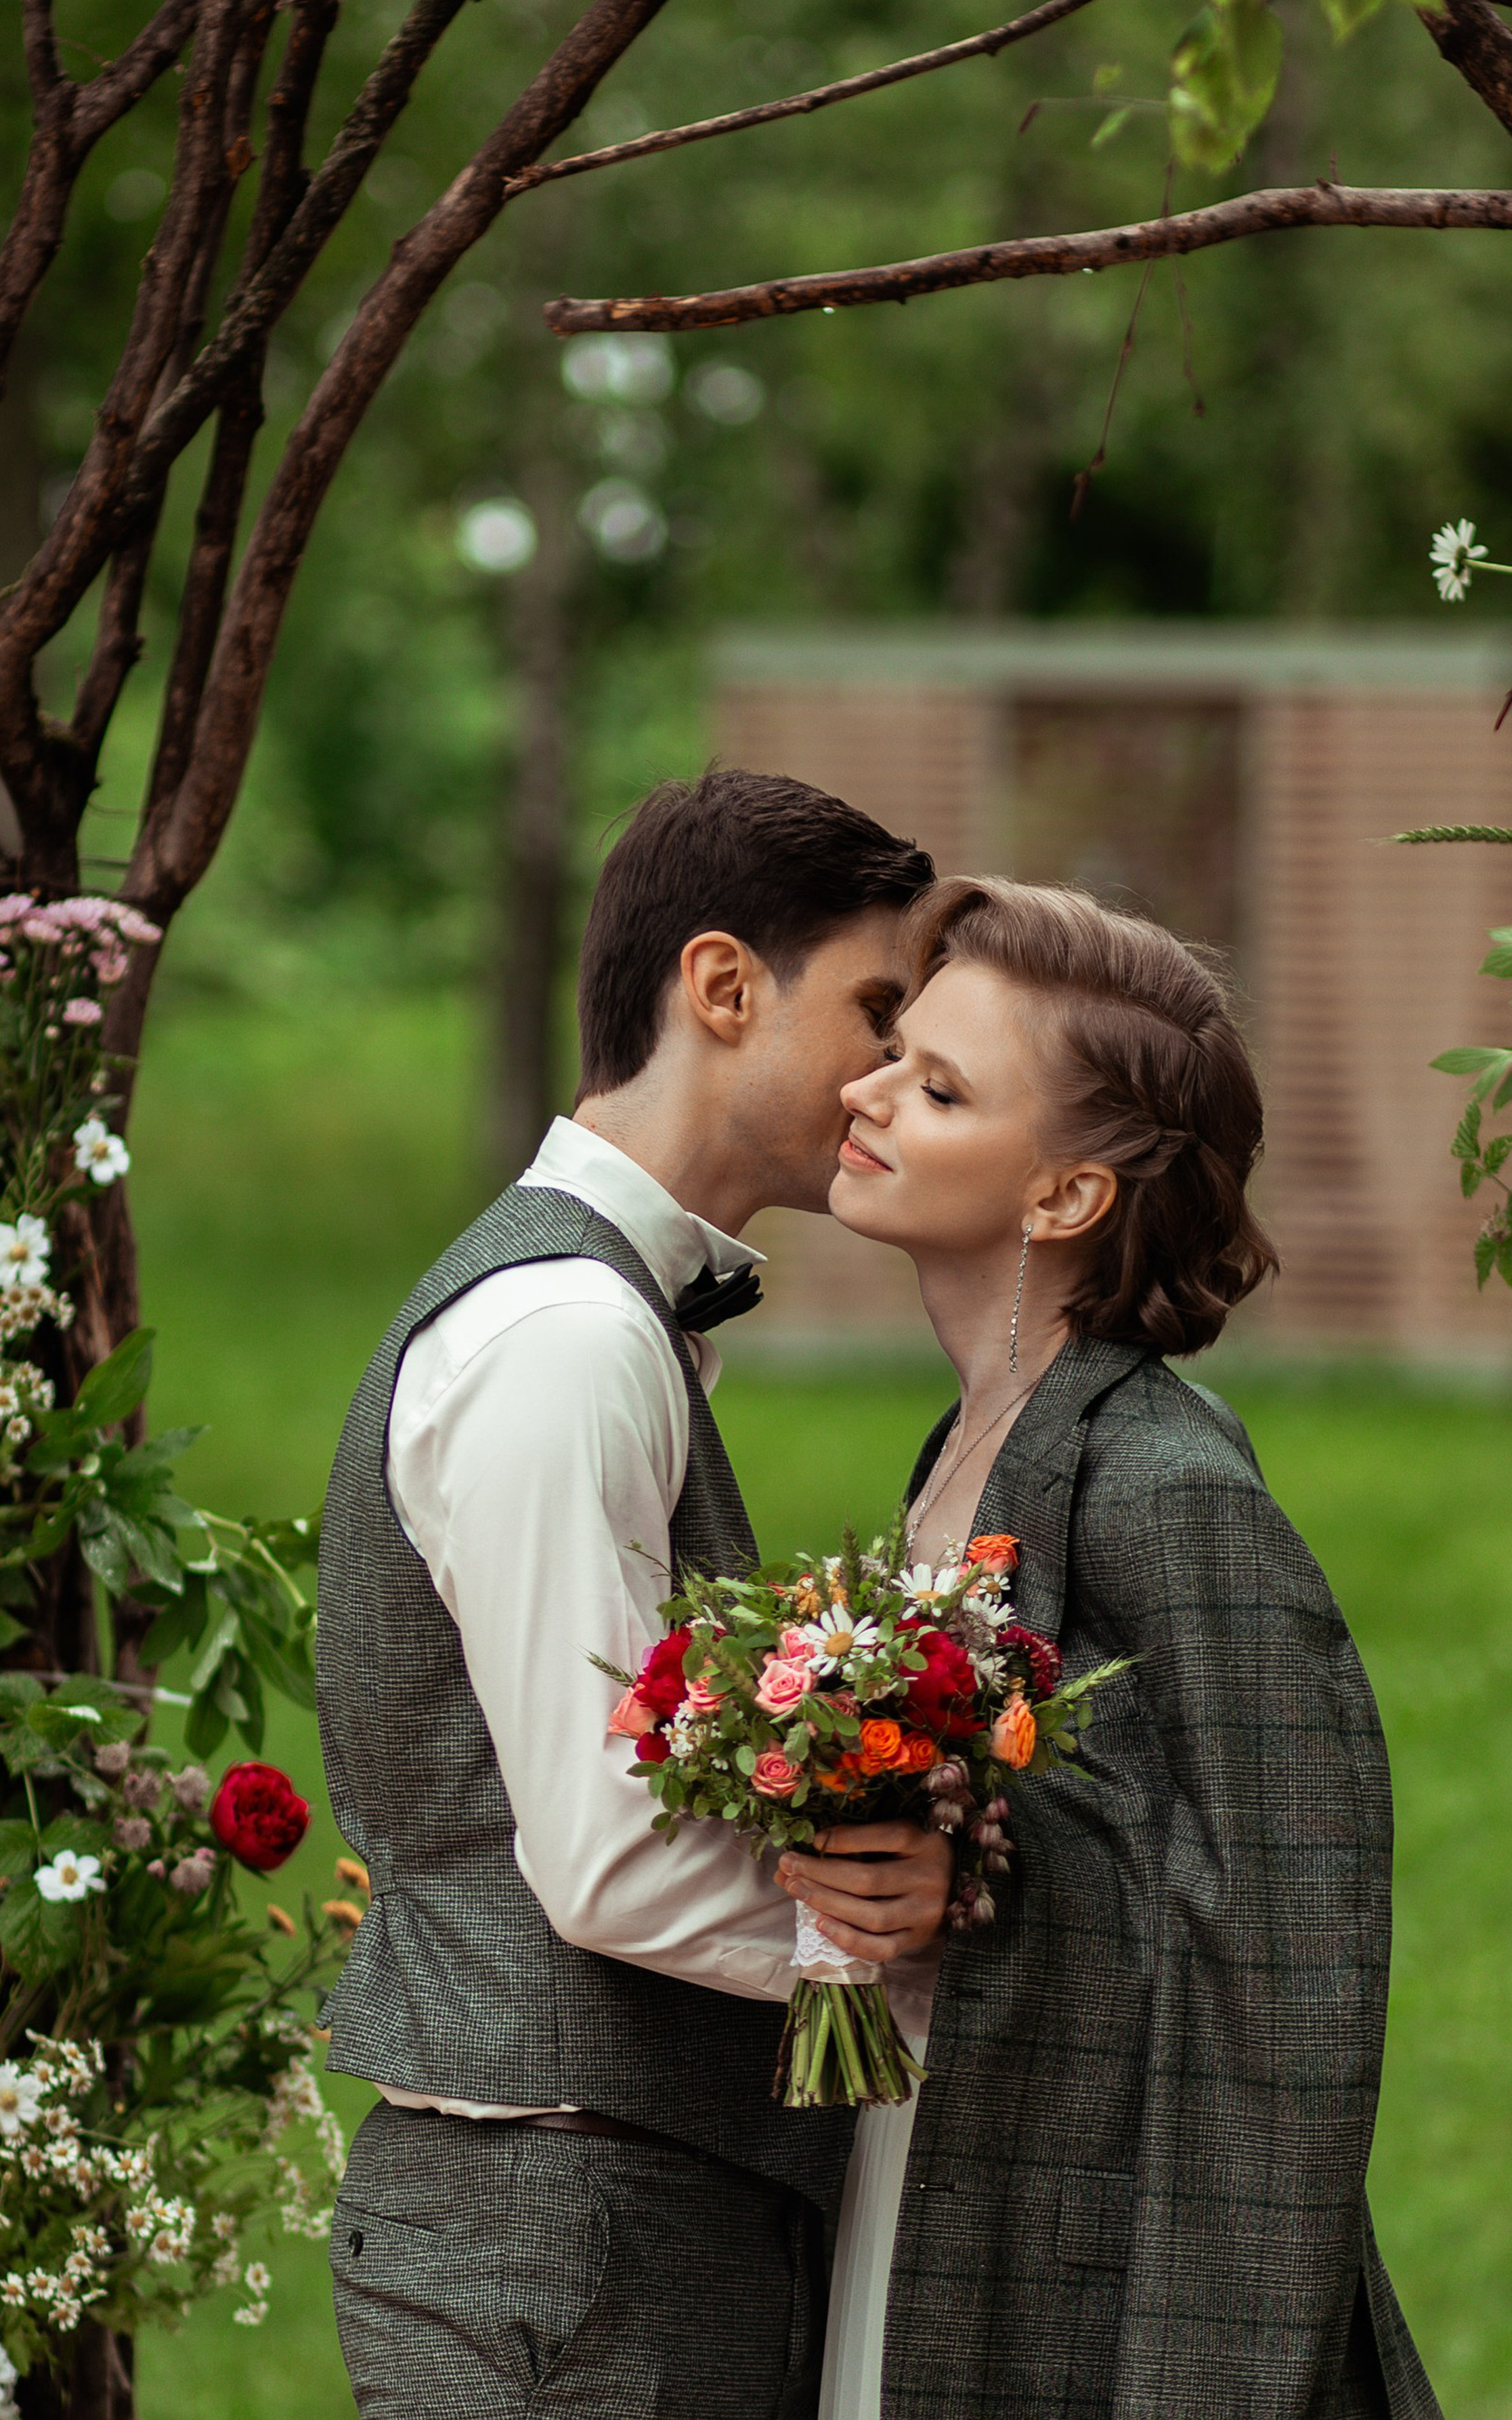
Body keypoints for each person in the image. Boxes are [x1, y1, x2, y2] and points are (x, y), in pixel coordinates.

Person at [316, 770, 955, 2420]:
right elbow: (609, 1860)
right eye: (876, 1014)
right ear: (722, 986)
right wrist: (910, 1971)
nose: (891, 1076)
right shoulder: (565, 1337)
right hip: (572, 2240)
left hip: (599, 2215)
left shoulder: (602, 1319)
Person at [782, 873, 1440, 2420]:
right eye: (893, 1050)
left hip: (1089, 2281)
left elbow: (1292, 1961)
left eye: (938, 1088)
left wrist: (981, 1880)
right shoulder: (967, 1443)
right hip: (928, 2170)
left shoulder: (1168, 1486)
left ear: (1064, 1198)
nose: (866, 1092)